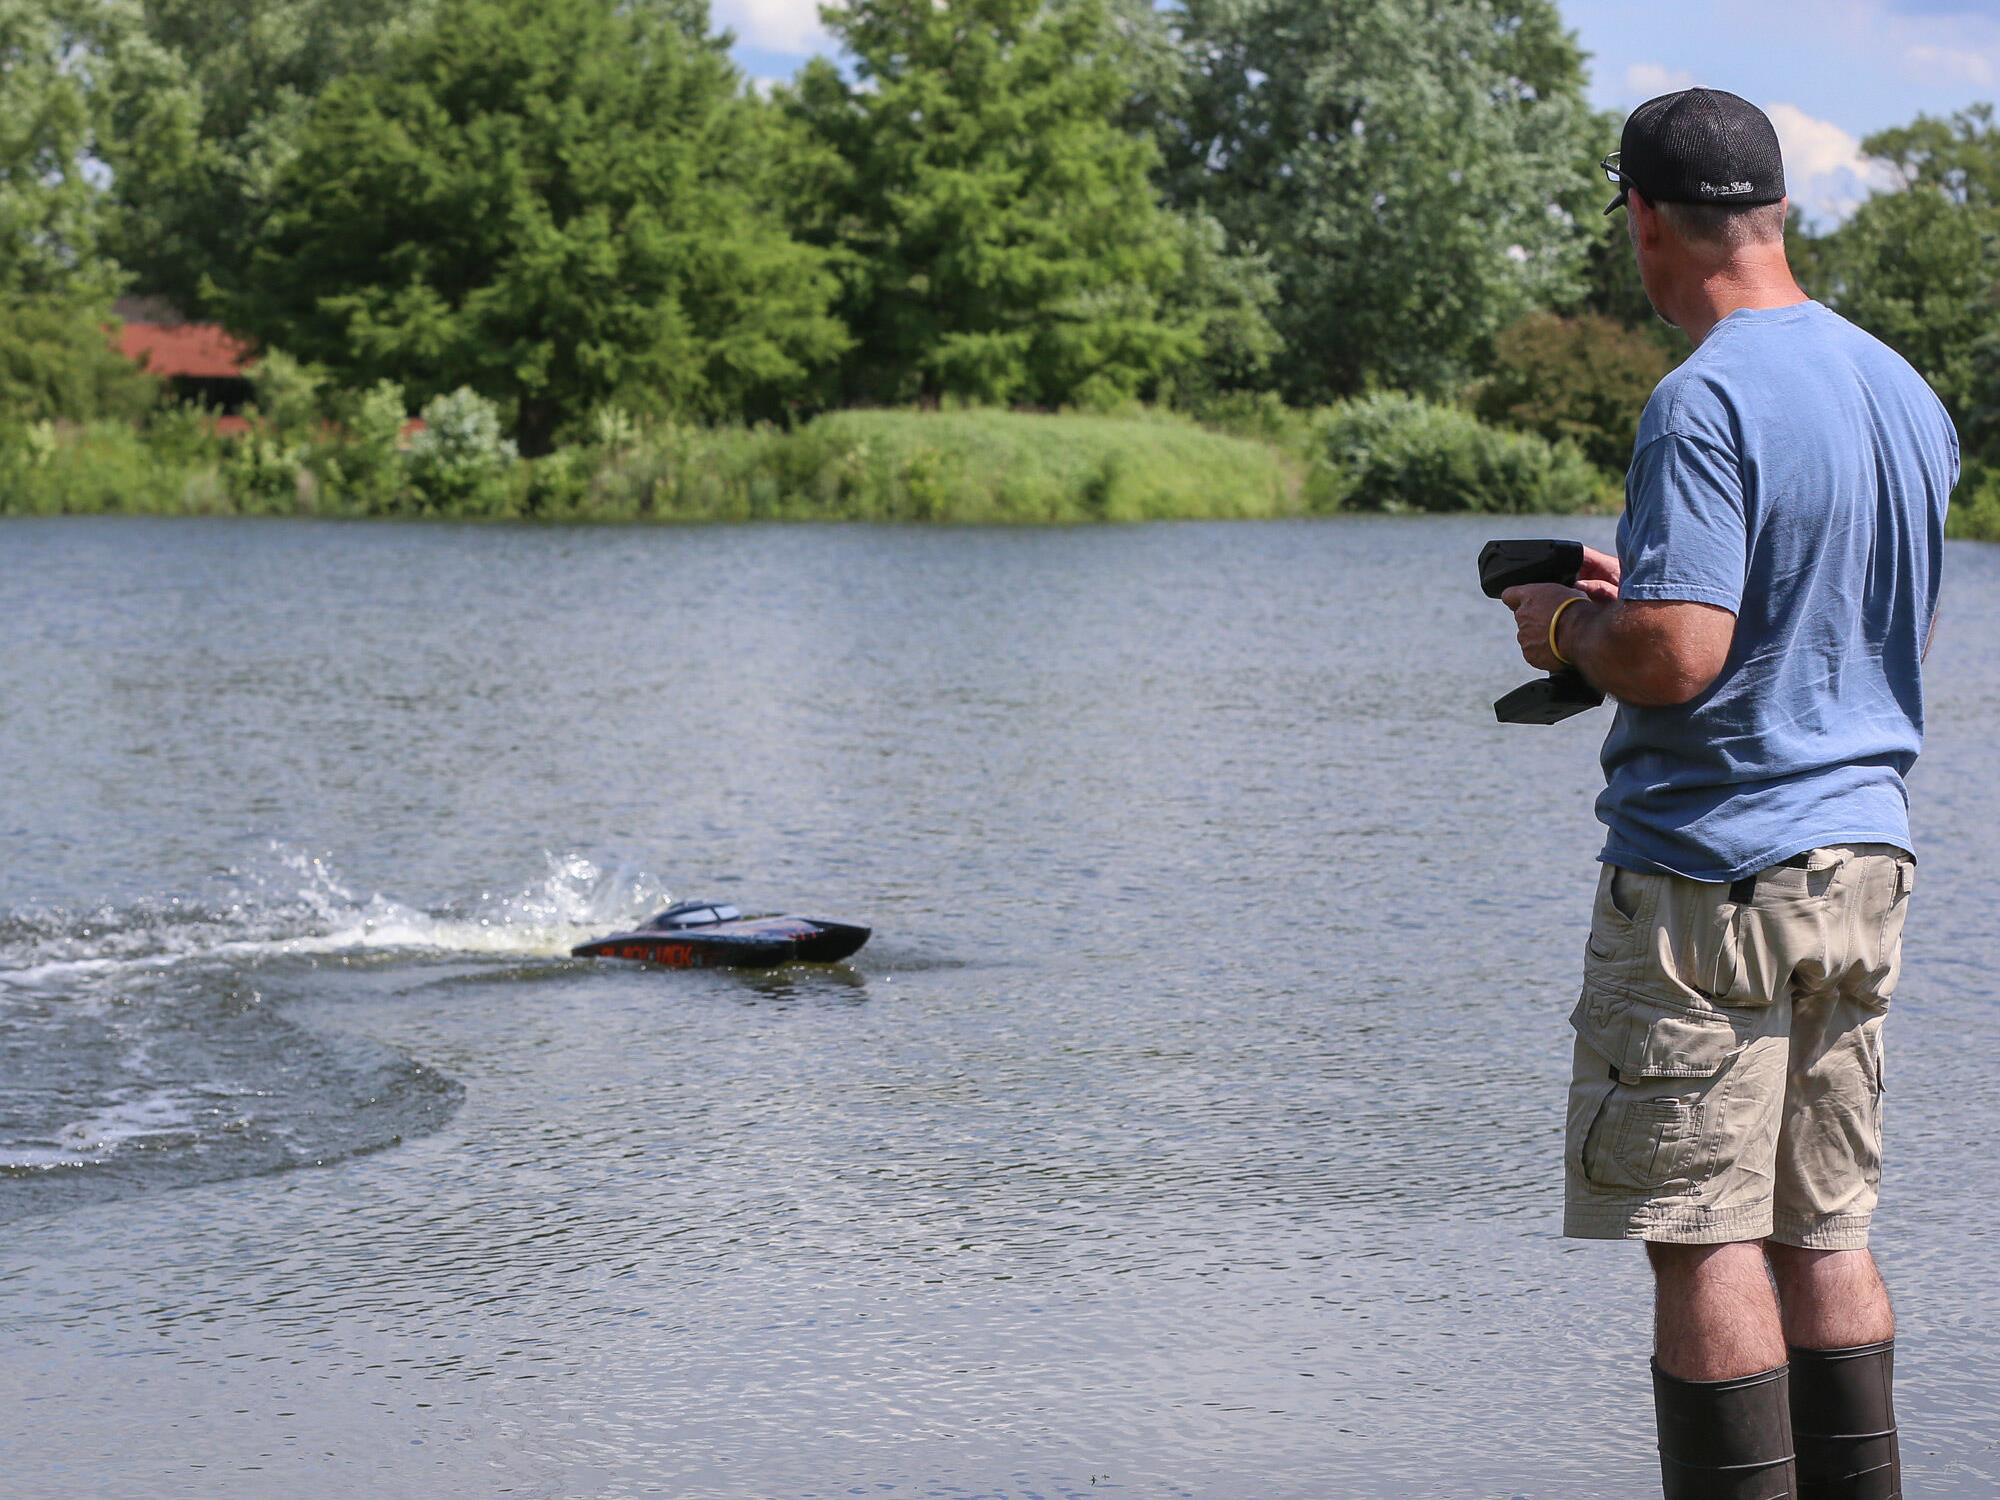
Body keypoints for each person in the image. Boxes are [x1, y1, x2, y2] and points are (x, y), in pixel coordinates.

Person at [1497, 89, 1956, 1500]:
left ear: (1645, 220)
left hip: (1712, 880)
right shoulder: (1900, 389)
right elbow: (1829, 628)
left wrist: (1563, 627)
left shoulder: (1703, 396)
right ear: (1773, 213)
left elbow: (1682, 657)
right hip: (1862, 862)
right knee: (1826, 1228)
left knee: (1701, 1232)